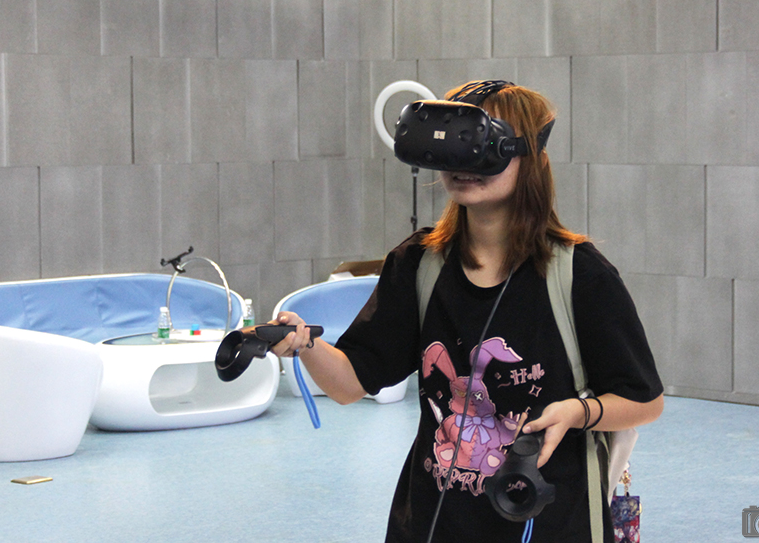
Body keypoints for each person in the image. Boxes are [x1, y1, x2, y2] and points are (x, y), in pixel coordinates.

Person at [270, 80, 664, 543]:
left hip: (548, 523)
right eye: (455, 148)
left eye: (482, 147)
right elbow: (349, 384)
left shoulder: (580, 275)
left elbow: (645, 401)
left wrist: (578, 412)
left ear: (529, 157)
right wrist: (305, 344)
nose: (465, 167)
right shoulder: (418, 265)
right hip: (434, 524)